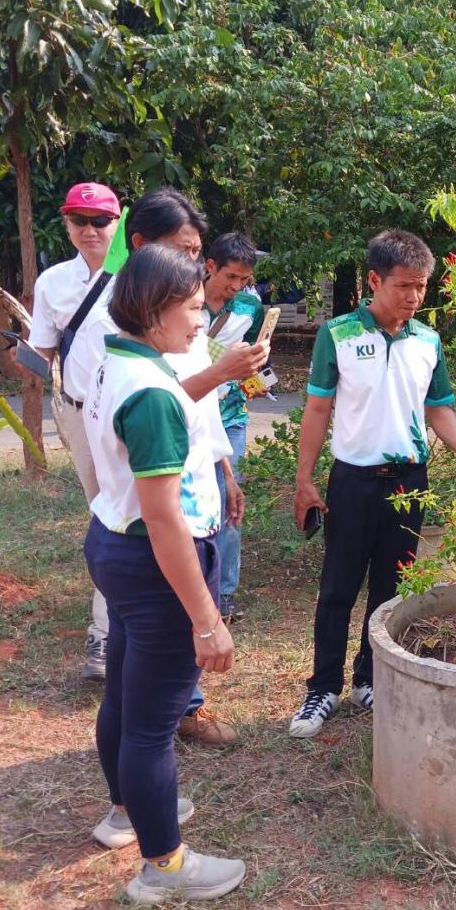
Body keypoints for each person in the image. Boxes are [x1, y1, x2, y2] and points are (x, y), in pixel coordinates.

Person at [65, 187, 268, 746]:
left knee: (136, 682)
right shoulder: (121, 330)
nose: (195, 268)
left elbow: (192, 413)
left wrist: (223, 471)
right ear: (141, 248)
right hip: (151, 516)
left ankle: (168, 708)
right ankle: (172, 713)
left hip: (177, 489)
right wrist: (208, 622)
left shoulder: (169, 320)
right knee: (150, 695)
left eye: (197, 252)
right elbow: (154, 412)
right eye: (182, 251)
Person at [83, 243, 246, 904]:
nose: (201, 321)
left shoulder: (118, 361)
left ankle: (128, 810)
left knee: (126, 699)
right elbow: (164, 518)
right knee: (152, 726)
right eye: (193, 307)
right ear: (153, 310)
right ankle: (164, 866)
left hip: (114, 544)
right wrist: (206, 618)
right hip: (155, 565)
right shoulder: (150, 393)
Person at [289, 230, 456, 739]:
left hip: (409, 483)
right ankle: (323, 688)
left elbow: (439, 409)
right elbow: (317, 409)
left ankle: (370, 679)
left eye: (421, 286)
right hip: (352, 481)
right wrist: (304, 479)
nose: (414, 296)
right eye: (404, 286)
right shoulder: (338, 336)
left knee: (391, 587)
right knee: (338, 588)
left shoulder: (427, 342)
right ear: (374, 281)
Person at [29, 182, 121, 681]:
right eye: (79, 221)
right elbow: (42, 352)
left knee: (138, 513)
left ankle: (116, 629)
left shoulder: (139, 274)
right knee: (106, 515)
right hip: (79, 413)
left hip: (134, 414)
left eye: (99, 221)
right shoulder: (52, 283)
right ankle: (106, 632)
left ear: (117, 223)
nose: (90, 230)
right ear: (66, 225)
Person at [201, 232, 265, 624]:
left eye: (244, 279)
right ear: (210, 266)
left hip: (230, 415)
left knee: (230, 500)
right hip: (192, 412)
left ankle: (224, 594)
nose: (237, 286)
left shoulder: (249, 306)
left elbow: (251, 353)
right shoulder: (183, 300)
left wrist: (254, 376)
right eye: (230, 277)